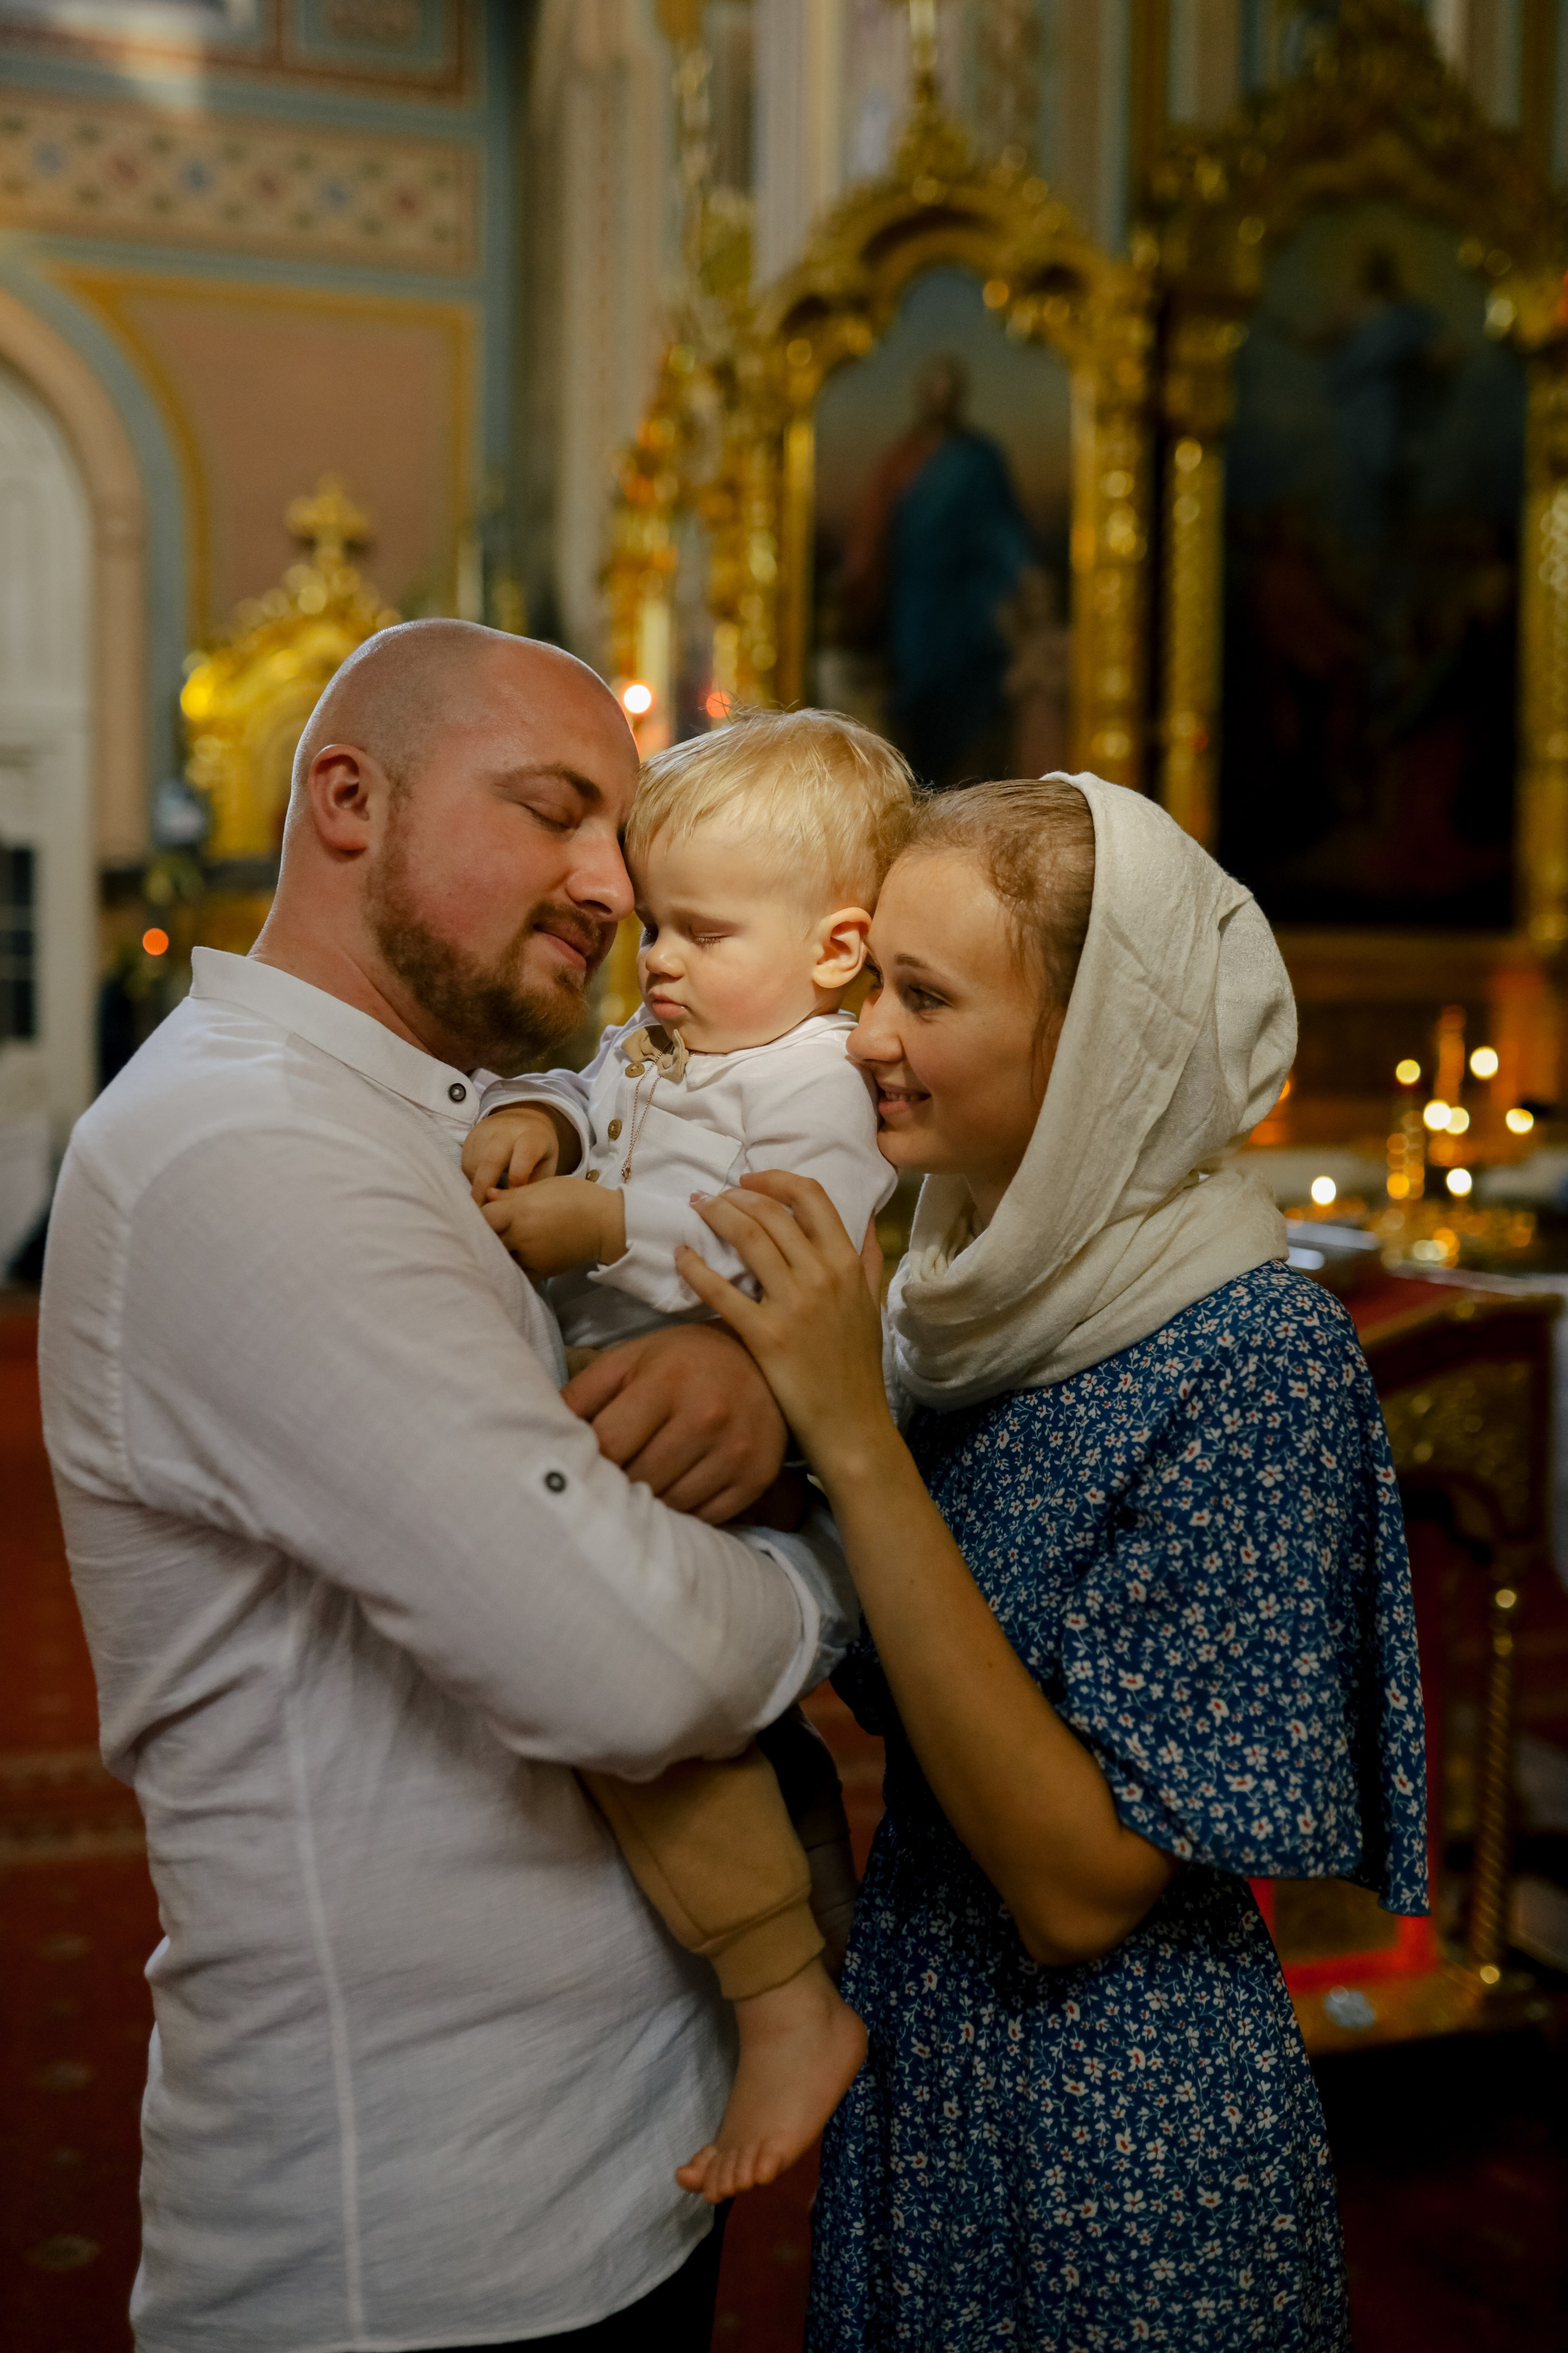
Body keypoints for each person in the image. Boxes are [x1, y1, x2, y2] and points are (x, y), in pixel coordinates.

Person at [37, 620, 859, 2353]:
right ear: (348, 795)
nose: (609, 883)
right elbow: (617, 1655)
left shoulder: (451, 1097)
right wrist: (843, 1554)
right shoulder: (238, 1144)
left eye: (620, 838)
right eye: (554, 810)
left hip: (607, 2149)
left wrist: (736, 1377)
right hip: (412, 2227)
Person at [673, 775, 1428, 2351]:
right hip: (922, 2048)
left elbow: (1080, 1892)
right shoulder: (956, 1305)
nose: (864, 1032)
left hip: (1121, 2120)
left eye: (923, 995)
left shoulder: (1255, 1357)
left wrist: (850, 1442)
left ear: (1098, 1047)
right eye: (870, 976)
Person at [470, 709, 914, 2203]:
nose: (653, 959)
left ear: (837, 946)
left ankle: (784, 1989)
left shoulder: (820, 1082)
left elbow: (787, 1249)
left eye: (700, 930)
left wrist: (609, 1229)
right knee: (723, 1739)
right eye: (652, 923)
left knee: (633, 1712)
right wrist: (539, 1113)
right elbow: (589, 1086)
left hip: (721, 1441)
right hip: (621, 1414)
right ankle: (808, 1914)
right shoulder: (664, 1041)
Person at [837, 354, 1035, 785]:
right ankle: (921, 788)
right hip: (916, 600)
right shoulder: (902, 460)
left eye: (948, 391)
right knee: (919, 698)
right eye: (933, 391)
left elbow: (1002, 530)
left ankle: (962, 791)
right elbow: (874, 528)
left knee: (968, 697)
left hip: (966, 602)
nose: (940, 400)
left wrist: (1024, 579)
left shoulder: (979, 459)